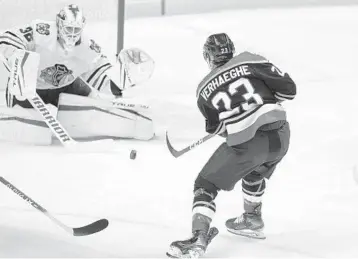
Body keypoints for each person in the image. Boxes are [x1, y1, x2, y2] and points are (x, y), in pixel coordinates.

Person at [166, 33, 296, 258]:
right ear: (232, 50)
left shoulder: (203, 90)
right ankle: (252, 219)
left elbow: (218, 129)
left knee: (204, 184)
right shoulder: (251, 59)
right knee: (254, 171)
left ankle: (198, 238)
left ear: (208, 56)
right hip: (281, 136)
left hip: (248, 145)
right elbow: (289, 91)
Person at [0, 4, 155, 144]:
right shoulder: (42, 30)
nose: (72, 34)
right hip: (30, 86)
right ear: (60, 24)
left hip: (67, 85)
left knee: (96, 105)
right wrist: (16, 57)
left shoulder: (88, 47)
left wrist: (122, 80)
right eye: (69, 29)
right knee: (32, 131)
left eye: (76, 30)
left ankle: (133, 124)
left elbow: (101, 77)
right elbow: (8, 38)